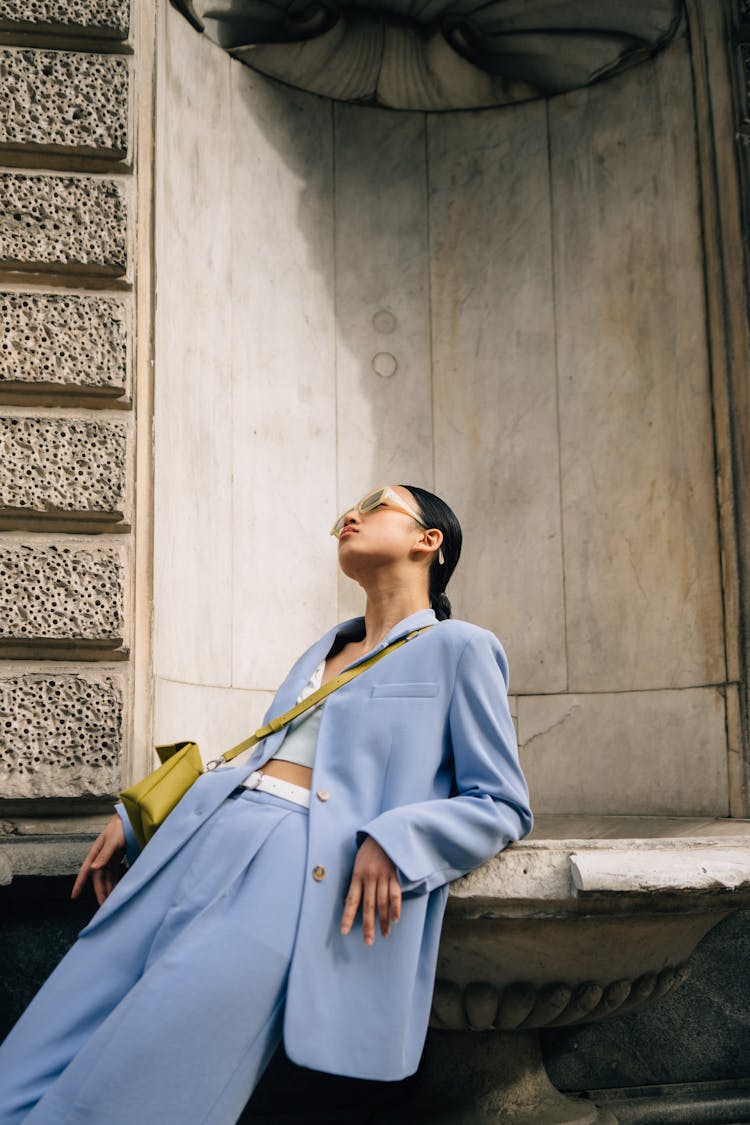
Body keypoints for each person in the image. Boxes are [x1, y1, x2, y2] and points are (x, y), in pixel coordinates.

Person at [0, 484, 532, 1125]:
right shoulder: (324, 650)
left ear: (429, 541)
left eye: (375, 504)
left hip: (296, 864)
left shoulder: (461, 648)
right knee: (56, 1028)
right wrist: (139, 819)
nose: (351, 517)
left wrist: (401, 838)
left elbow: (501, 801)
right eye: (347, 513)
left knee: (159, 1058)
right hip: (198, 842)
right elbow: (258, 757)